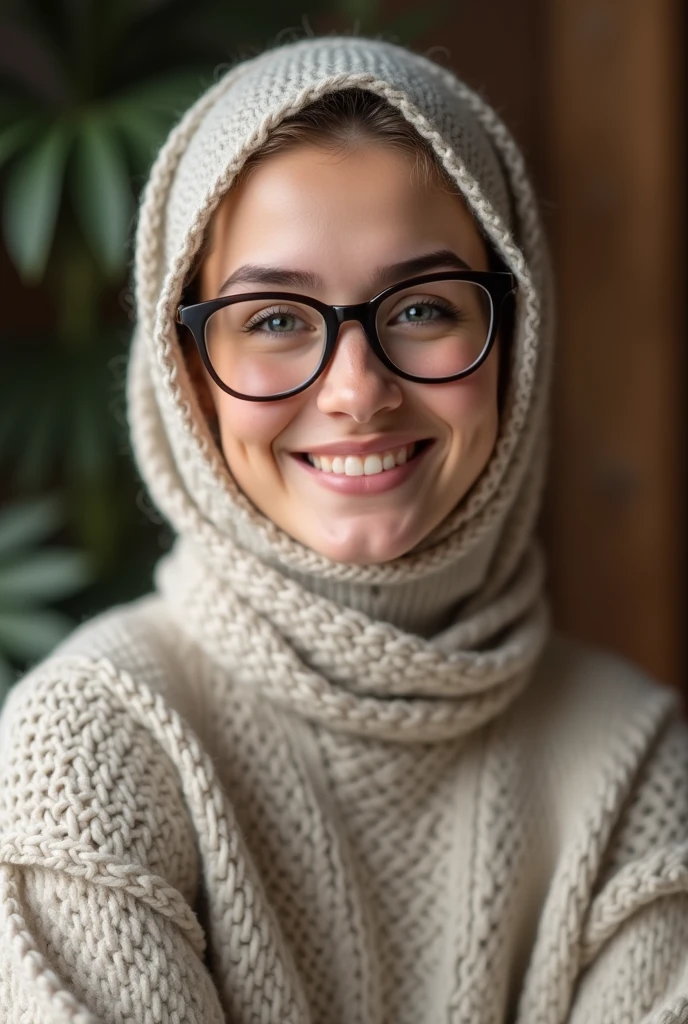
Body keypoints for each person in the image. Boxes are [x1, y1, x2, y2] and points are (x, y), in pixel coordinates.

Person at [0, 33, 686, 1024]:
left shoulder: (630, 761)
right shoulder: (92, 744)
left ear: (516, 337)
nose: (357, 391)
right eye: (274, 318)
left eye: (421, 307)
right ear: (185, 368)